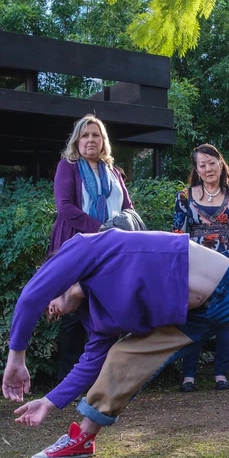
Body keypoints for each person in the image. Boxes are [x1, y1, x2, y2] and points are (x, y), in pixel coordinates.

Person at [2, 229, 229, 458]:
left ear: (59, 278)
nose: (48, 309)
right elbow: (89, 363)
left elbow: (31, 296)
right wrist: (48, 401)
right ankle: (82, 439)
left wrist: (16, 358)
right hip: (191, 318)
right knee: (122, 356)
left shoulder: (89, 248)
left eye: (49, 297)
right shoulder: (98, 317)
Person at [48, 115, 133, 384]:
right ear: (76, 140)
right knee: (73, 313)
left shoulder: (114, 172)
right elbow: (65, 208)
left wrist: (126, 224)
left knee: (107, 312)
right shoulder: (68, 167)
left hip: (112, 250)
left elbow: (128, 207)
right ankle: (68, 382)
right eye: (84, 135)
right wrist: (101, 230)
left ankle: (104, 383)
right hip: (77, 245)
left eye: (95, 135)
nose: (90, 140)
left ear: (103, 141)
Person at [173, 144, 229, 392]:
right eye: (202, 164)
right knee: (194, 315)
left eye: (211, 162)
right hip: (197, 262)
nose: (208, 168)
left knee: (226, 317)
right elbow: (177, 233)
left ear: (220, 163)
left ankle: (221, 373)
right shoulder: (184, 196)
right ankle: (189, 375)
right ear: (196, 169)